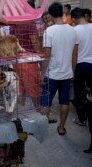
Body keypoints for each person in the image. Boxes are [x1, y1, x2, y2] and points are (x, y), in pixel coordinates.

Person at [41, 2, 77, 135]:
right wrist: (72, 70)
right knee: (64, 100)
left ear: (50, 15)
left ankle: (43, 129)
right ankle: (61, 127)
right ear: (62, 12)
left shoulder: (49, 31)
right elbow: (75, 54)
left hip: (52, 74)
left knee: (46, 101)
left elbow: (47, 55)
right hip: (67, 73)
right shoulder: (73, 30)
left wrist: (42, 73)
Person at [71, 7, 92, 152]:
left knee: (79, 93)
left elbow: (74, 52)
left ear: (74, 18)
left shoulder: (74, 31)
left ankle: (82, 118)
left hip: (80, 65)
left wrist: (72, 70)